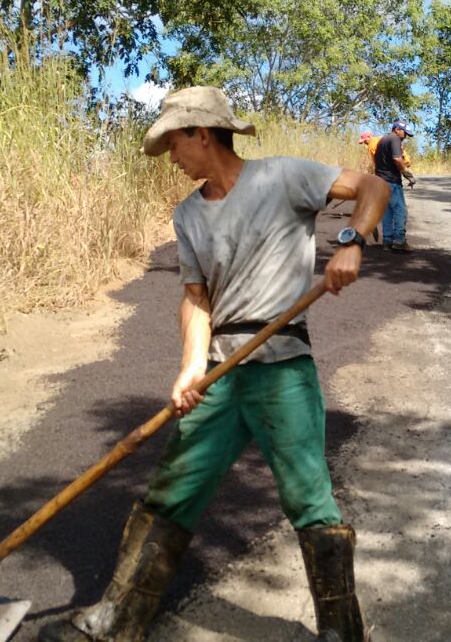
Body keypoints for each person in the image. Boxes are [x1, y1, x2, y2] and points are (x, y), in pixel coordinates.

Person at [41, 86, 389, 642]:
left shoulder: (283, 177)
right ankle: (117, 621)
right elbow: (197, 298)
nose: (172, 158)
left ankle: (344, 632)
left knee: (308, 497)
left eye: (175, 144)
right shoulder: (187, 215)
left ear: (202, 133)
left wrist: (352, 240)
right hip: (221, 370)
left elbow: (374, 186)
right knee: (173, 487)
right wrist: (189, 367)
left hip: (282, 366)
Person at [373, 120, 415, 252]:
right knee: (400, 210)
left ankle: (387, 241)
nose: (405, 137)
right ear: (397, 129)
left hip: (380, 181)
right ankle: (400, 241)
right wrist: (406, 173)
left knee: (387, 212)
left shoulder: (382, 140)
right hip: (391, 182)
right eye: (404, 133)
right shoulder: (395, 139)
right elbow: (397, 159)